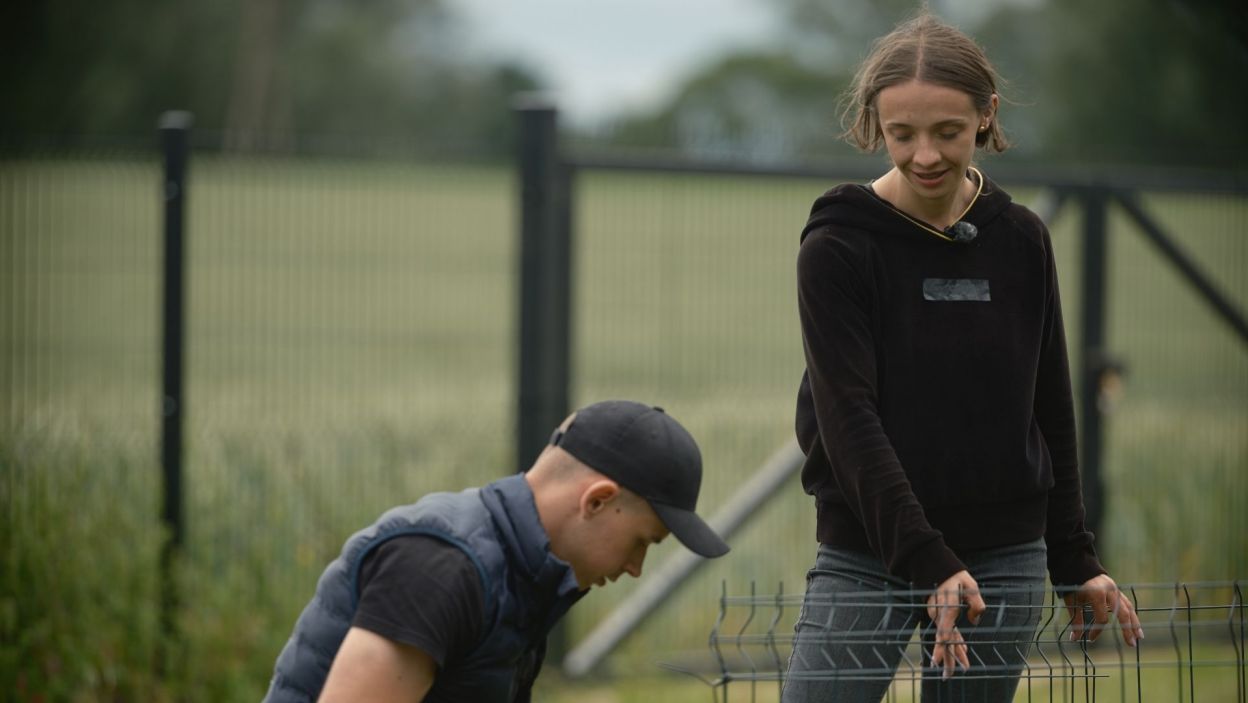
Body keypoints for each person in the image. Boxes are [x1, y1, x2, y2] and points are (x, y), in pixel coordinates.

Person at [783, 12, 1143, 702]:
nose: (924, 155)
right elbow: (848, 417)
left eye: (947, 131)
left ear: (986, 116)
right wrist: (925, 559)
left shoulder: (1022, 240)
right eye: (901, 134)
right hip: (870, 553)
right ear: (874, 124)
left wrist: (1074, 556)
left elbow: (1048, 405)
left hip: (1004, 554)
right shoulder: (839, 246)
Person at [263, 400, 729, 702]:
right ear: (597, 500)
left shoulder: (518, 574)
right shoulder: (442, 567)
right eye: (641, 542)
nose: (635, 568)